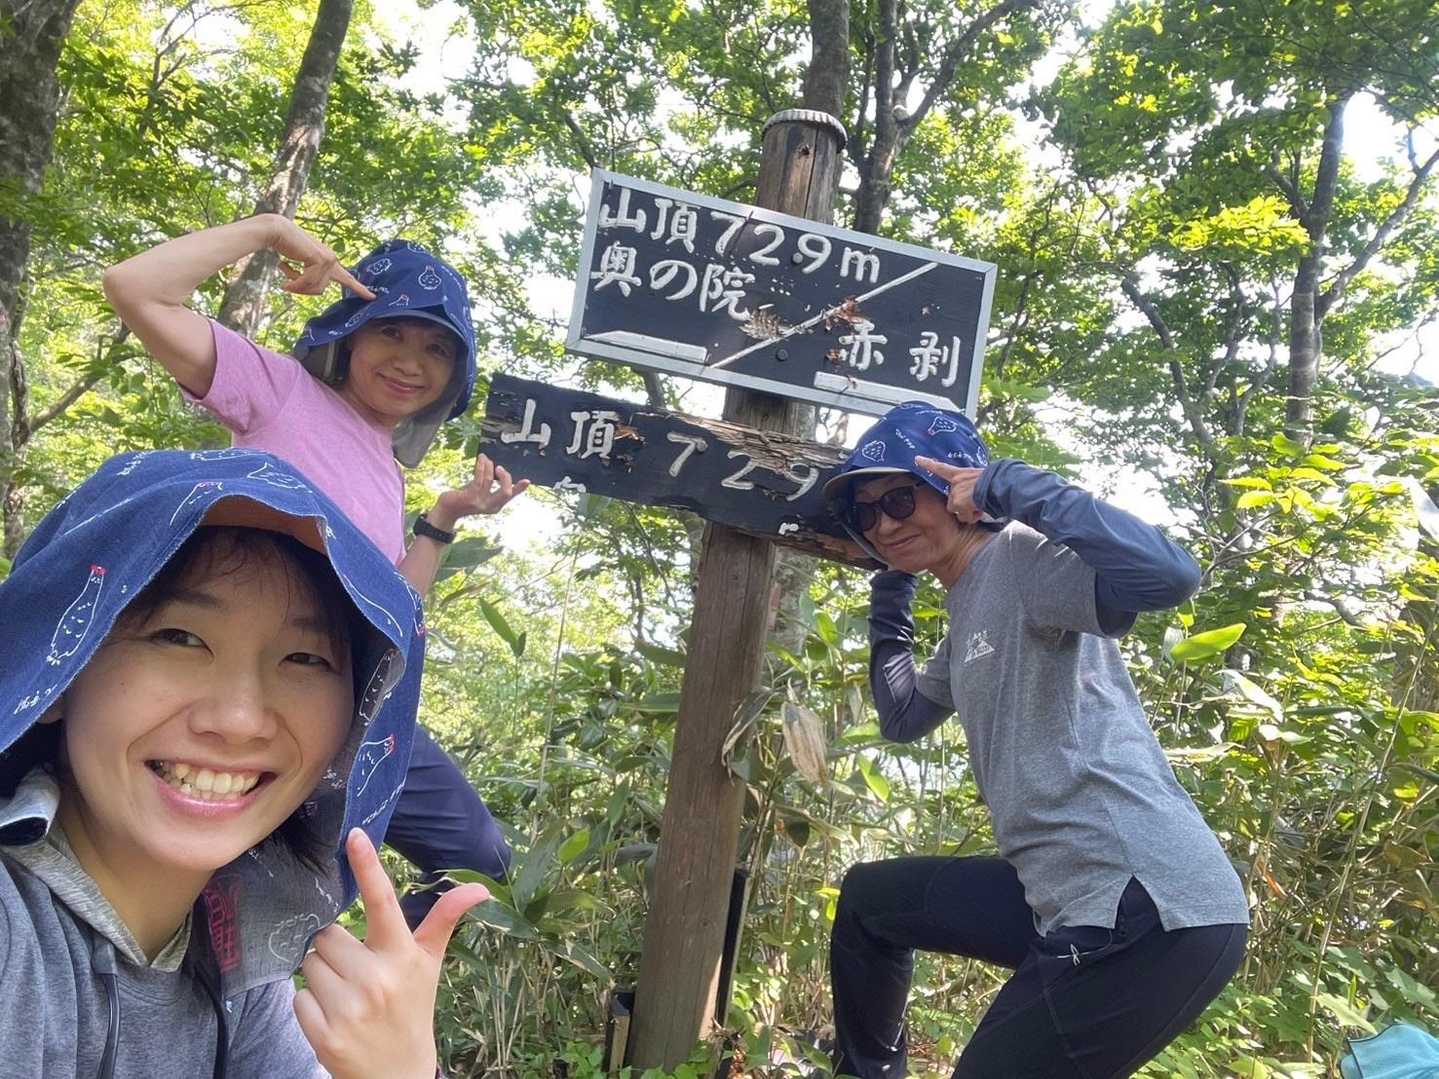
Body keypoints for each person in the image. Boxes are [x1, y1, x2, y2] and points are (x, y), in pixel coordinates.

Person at [0, 449, 488, 1077]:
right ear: (58, 669)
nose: (239, 719)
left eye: (305, 659)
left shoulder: (238, 962)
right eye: (178, 638)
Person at [103, 216, 518, 924]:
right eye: (391, 332)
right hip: (245, 685)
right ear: (351, 335)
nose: (410, 361)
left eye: (437, 347)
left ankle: (339, 973)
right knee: (212, 880)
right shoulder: (282, 390)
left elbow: (391, 612)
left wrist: (441, 519)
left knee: (481, 859)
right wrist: (269, 230)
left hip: (352, 695)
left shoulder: (387, 470)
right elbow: (134, 289)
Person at [823, 401, 1250, 1079]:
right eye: (865, 513)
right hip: (1059, 888)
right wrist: (890, 597)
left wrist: (1006, 484)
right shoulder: (967, 604)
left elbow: (1170, 575)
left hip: (1146, 904)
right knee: (872, 902)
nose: (885, 523)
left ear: (953, 488)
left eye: (899, 499)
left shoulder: (1020, 557)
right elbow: (902, 717)